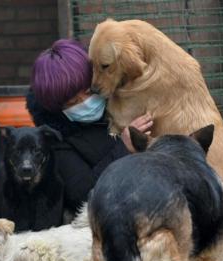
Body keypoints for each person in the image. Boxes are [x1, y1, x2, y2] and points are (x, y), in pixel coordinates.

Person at [26, 39, 153, 215]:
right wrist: (123, 148)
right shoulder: (56, 140)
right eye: (73, 102)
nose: (86, 103)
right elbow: (82, 195)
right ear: (57, 107)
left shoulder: (121, 99)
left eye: (88, 92)